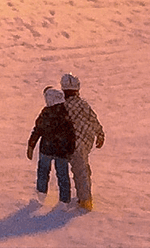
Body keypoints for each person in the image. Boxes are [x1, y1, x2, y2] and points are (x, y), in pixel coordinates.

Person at [60, 73, 104, 211]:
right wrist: (100, 134)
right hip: (85, 142)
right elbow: (93, 119)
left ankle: (85, 200)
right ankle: (85, 198)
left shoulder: (62, 107)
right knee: (84, 170)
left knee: (79, 171)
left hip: (71, 145)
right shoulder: (84, 105)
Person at [26, 86, 75, 207]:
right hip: (61, 152)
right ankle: (64, 200)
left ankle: (41, 195)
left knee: (43, 172)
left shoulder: (46, 113)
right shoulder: (66, 113)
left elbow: (37, 130)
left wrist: (31, 145)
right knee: (62, 175)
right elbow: (71, 134)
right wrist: (71, 150)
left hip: (46, 150)